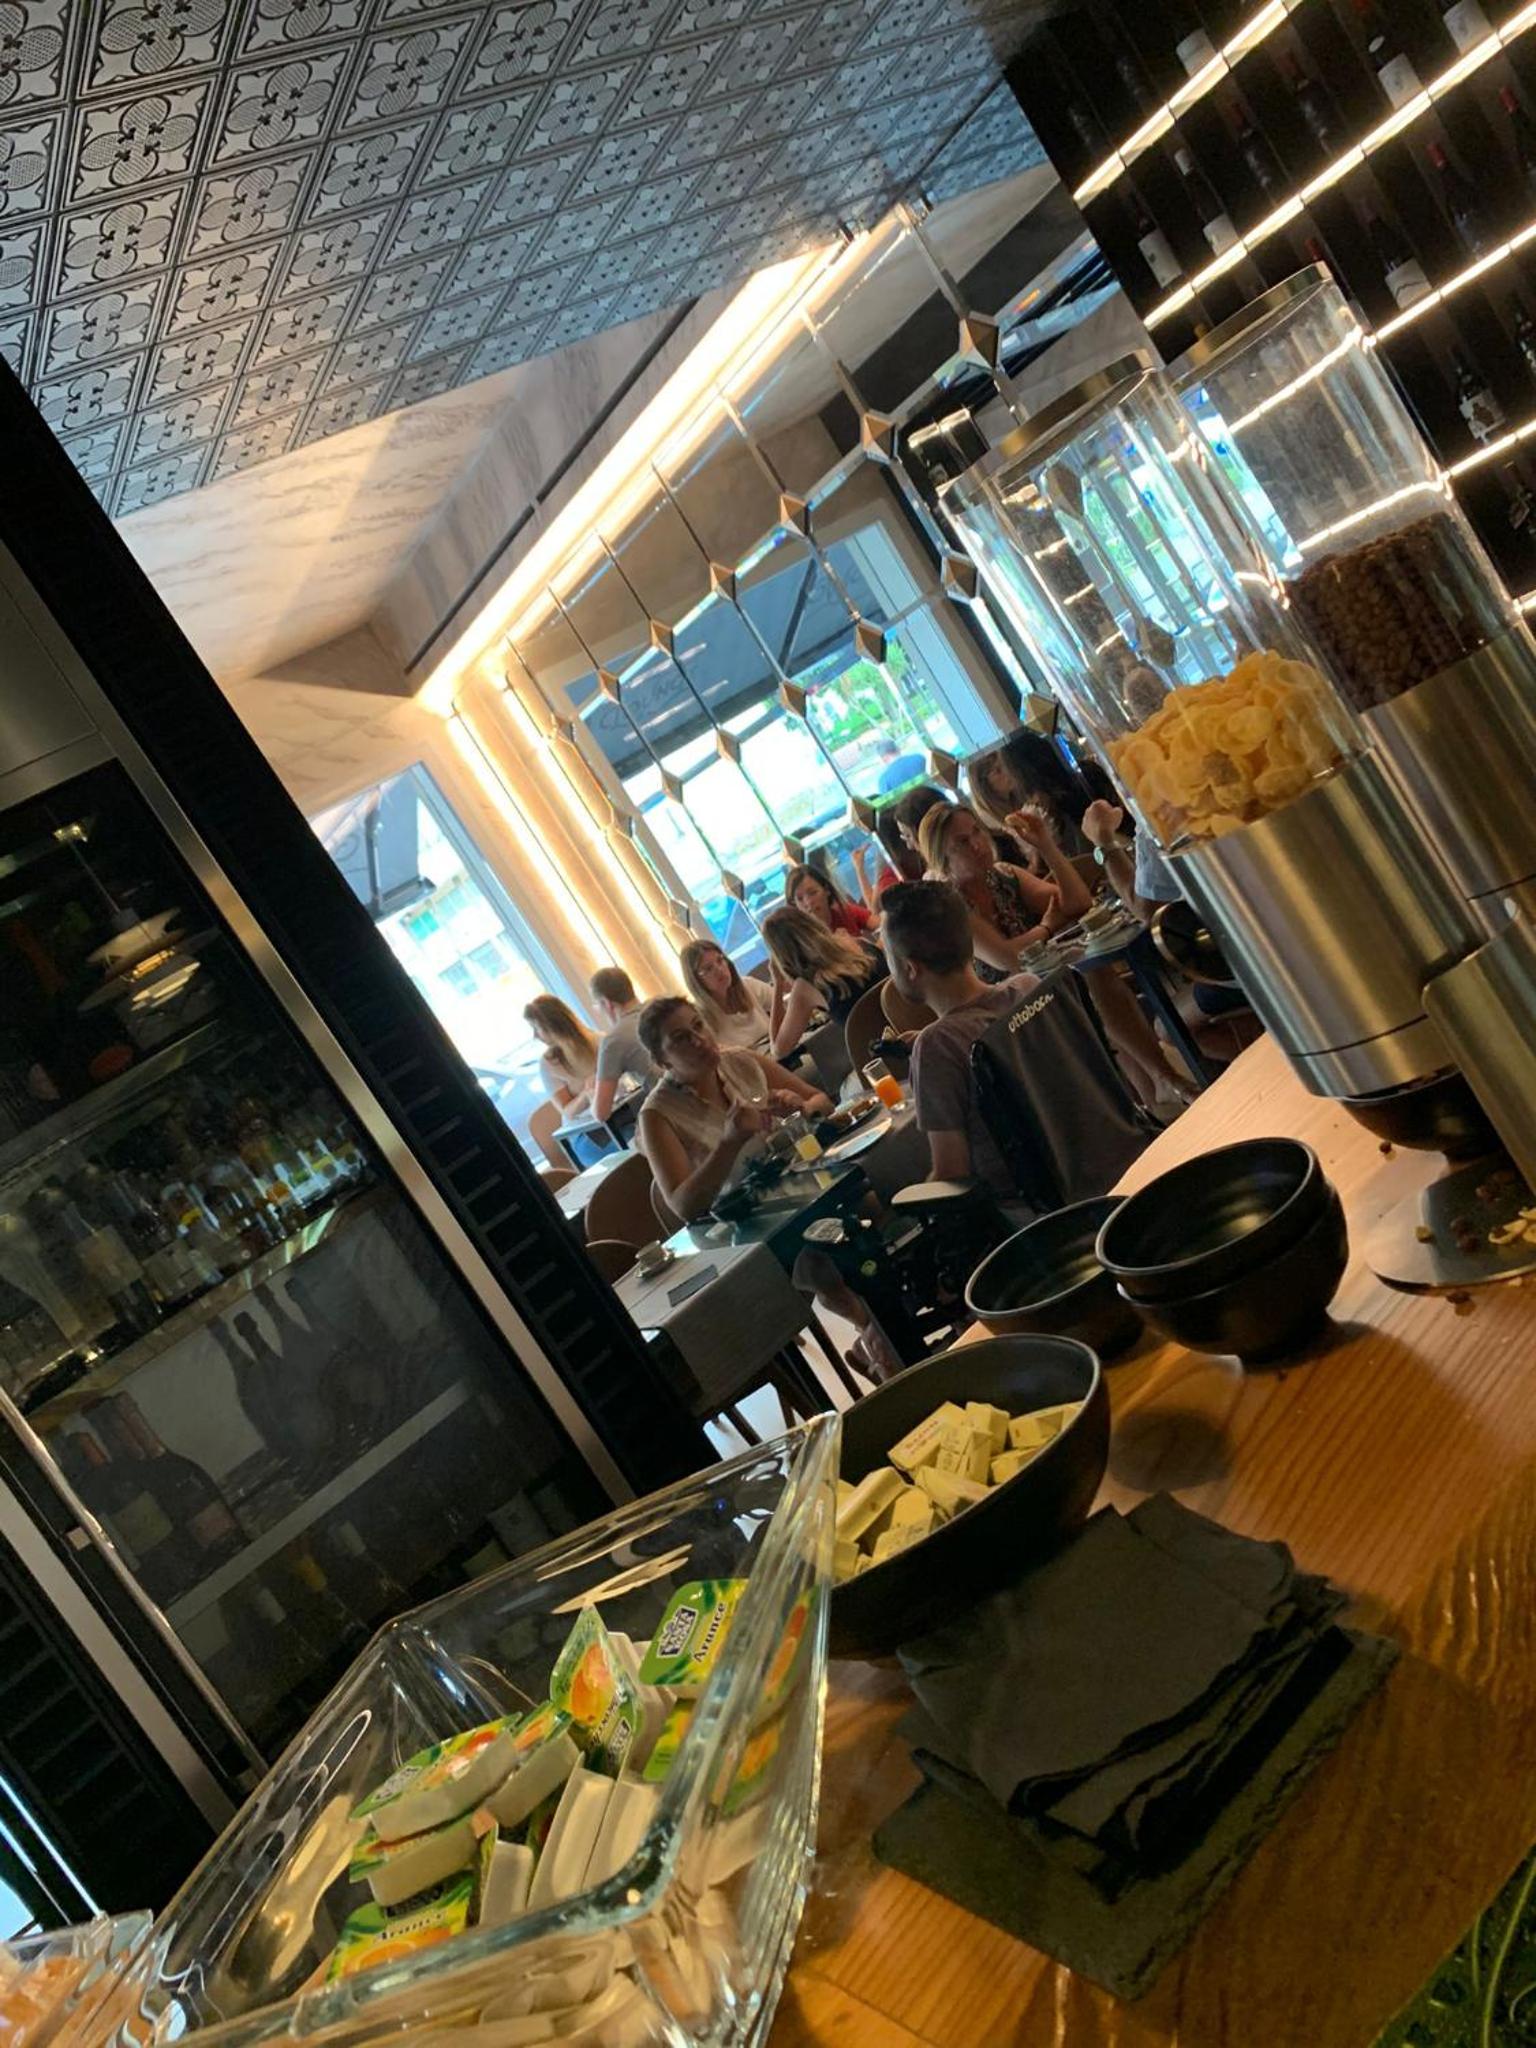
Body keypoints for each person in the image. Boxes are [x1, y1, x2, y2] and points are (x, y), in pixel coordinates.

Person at [635, 998, 902, 1378]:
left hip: (806, 1188)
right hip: (748, 1229)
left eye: (698, 1025)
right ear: (662, 1061)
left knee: (879, 1205)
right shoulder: (658, 1114)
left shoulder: (739, 1061)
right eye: (680, 1038)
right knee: (819, 1255)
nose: (699, 1039)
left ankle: (878, 1338)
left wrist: (800, 1106)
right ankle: (879, 1337)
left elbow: (822, 1102)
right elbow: (683, 1205)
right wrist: (729, 1143)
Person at [883, 881, 1144, 1207]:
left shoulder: (937, 1048)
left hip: (1050, 1209)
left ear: (910, 968)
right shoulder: (1029, 987)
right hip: (1122, 1156)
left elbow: (952, 1173)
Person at [917, 800, 1090, 977]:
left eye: (977, 831)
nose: (977, 845)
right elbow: (1009, 959)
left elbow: (1080, 903)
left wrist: (1045, 844)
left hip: (1049, 978)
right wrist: (1046, 927)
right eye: (963, 842)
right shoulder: (950, 909)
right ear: (942, 860)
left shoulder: (1003, 874)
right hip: (1011, 993)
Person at [760, 905, 885, 1059]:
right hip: (907, 1026)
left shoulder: (805, 987)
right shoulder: (857, 944)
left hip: (881, 1056)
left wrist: (777, 984)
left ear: (781, 954)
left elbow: (779, 1050)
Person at [679, 939, 776, 1053]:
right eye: (708, 968)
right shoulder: (699, 1018)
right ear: (696, 980)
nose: (719, 970)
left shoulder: (747, 985)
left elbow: (784, 1005)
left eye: (720, 960)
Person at [587, 966, 650, 1122]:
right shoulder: (661, 1007)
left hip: (676, 1109)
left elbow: (601, 1113)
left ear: (607, 1003)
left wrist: (591, 1094)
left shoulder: (613, 1041)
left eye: (598, 1005)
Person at [524, 995, 598, 1119]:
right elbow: (567, 1111)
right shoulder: (548, 1064)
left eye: (536, 1028)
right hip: (584, 1124)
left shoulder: (600, 1041)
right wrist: (587, 1093)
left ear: (553, 1027)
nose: (535, 1036)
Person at [851, 805, 924, 909]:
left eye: (907, 835)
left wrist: (859, 869)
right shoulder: (926, 856)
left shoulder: (891, 877)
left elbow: (874, 908)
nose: (910, 845)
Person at [784, 862, 875, 939]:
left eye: (813, 893)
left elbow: (880, 924)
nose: (808, 902)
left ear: (826, 890)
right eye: (800, 899)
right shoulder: (803, 942)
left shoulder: (844, 912)